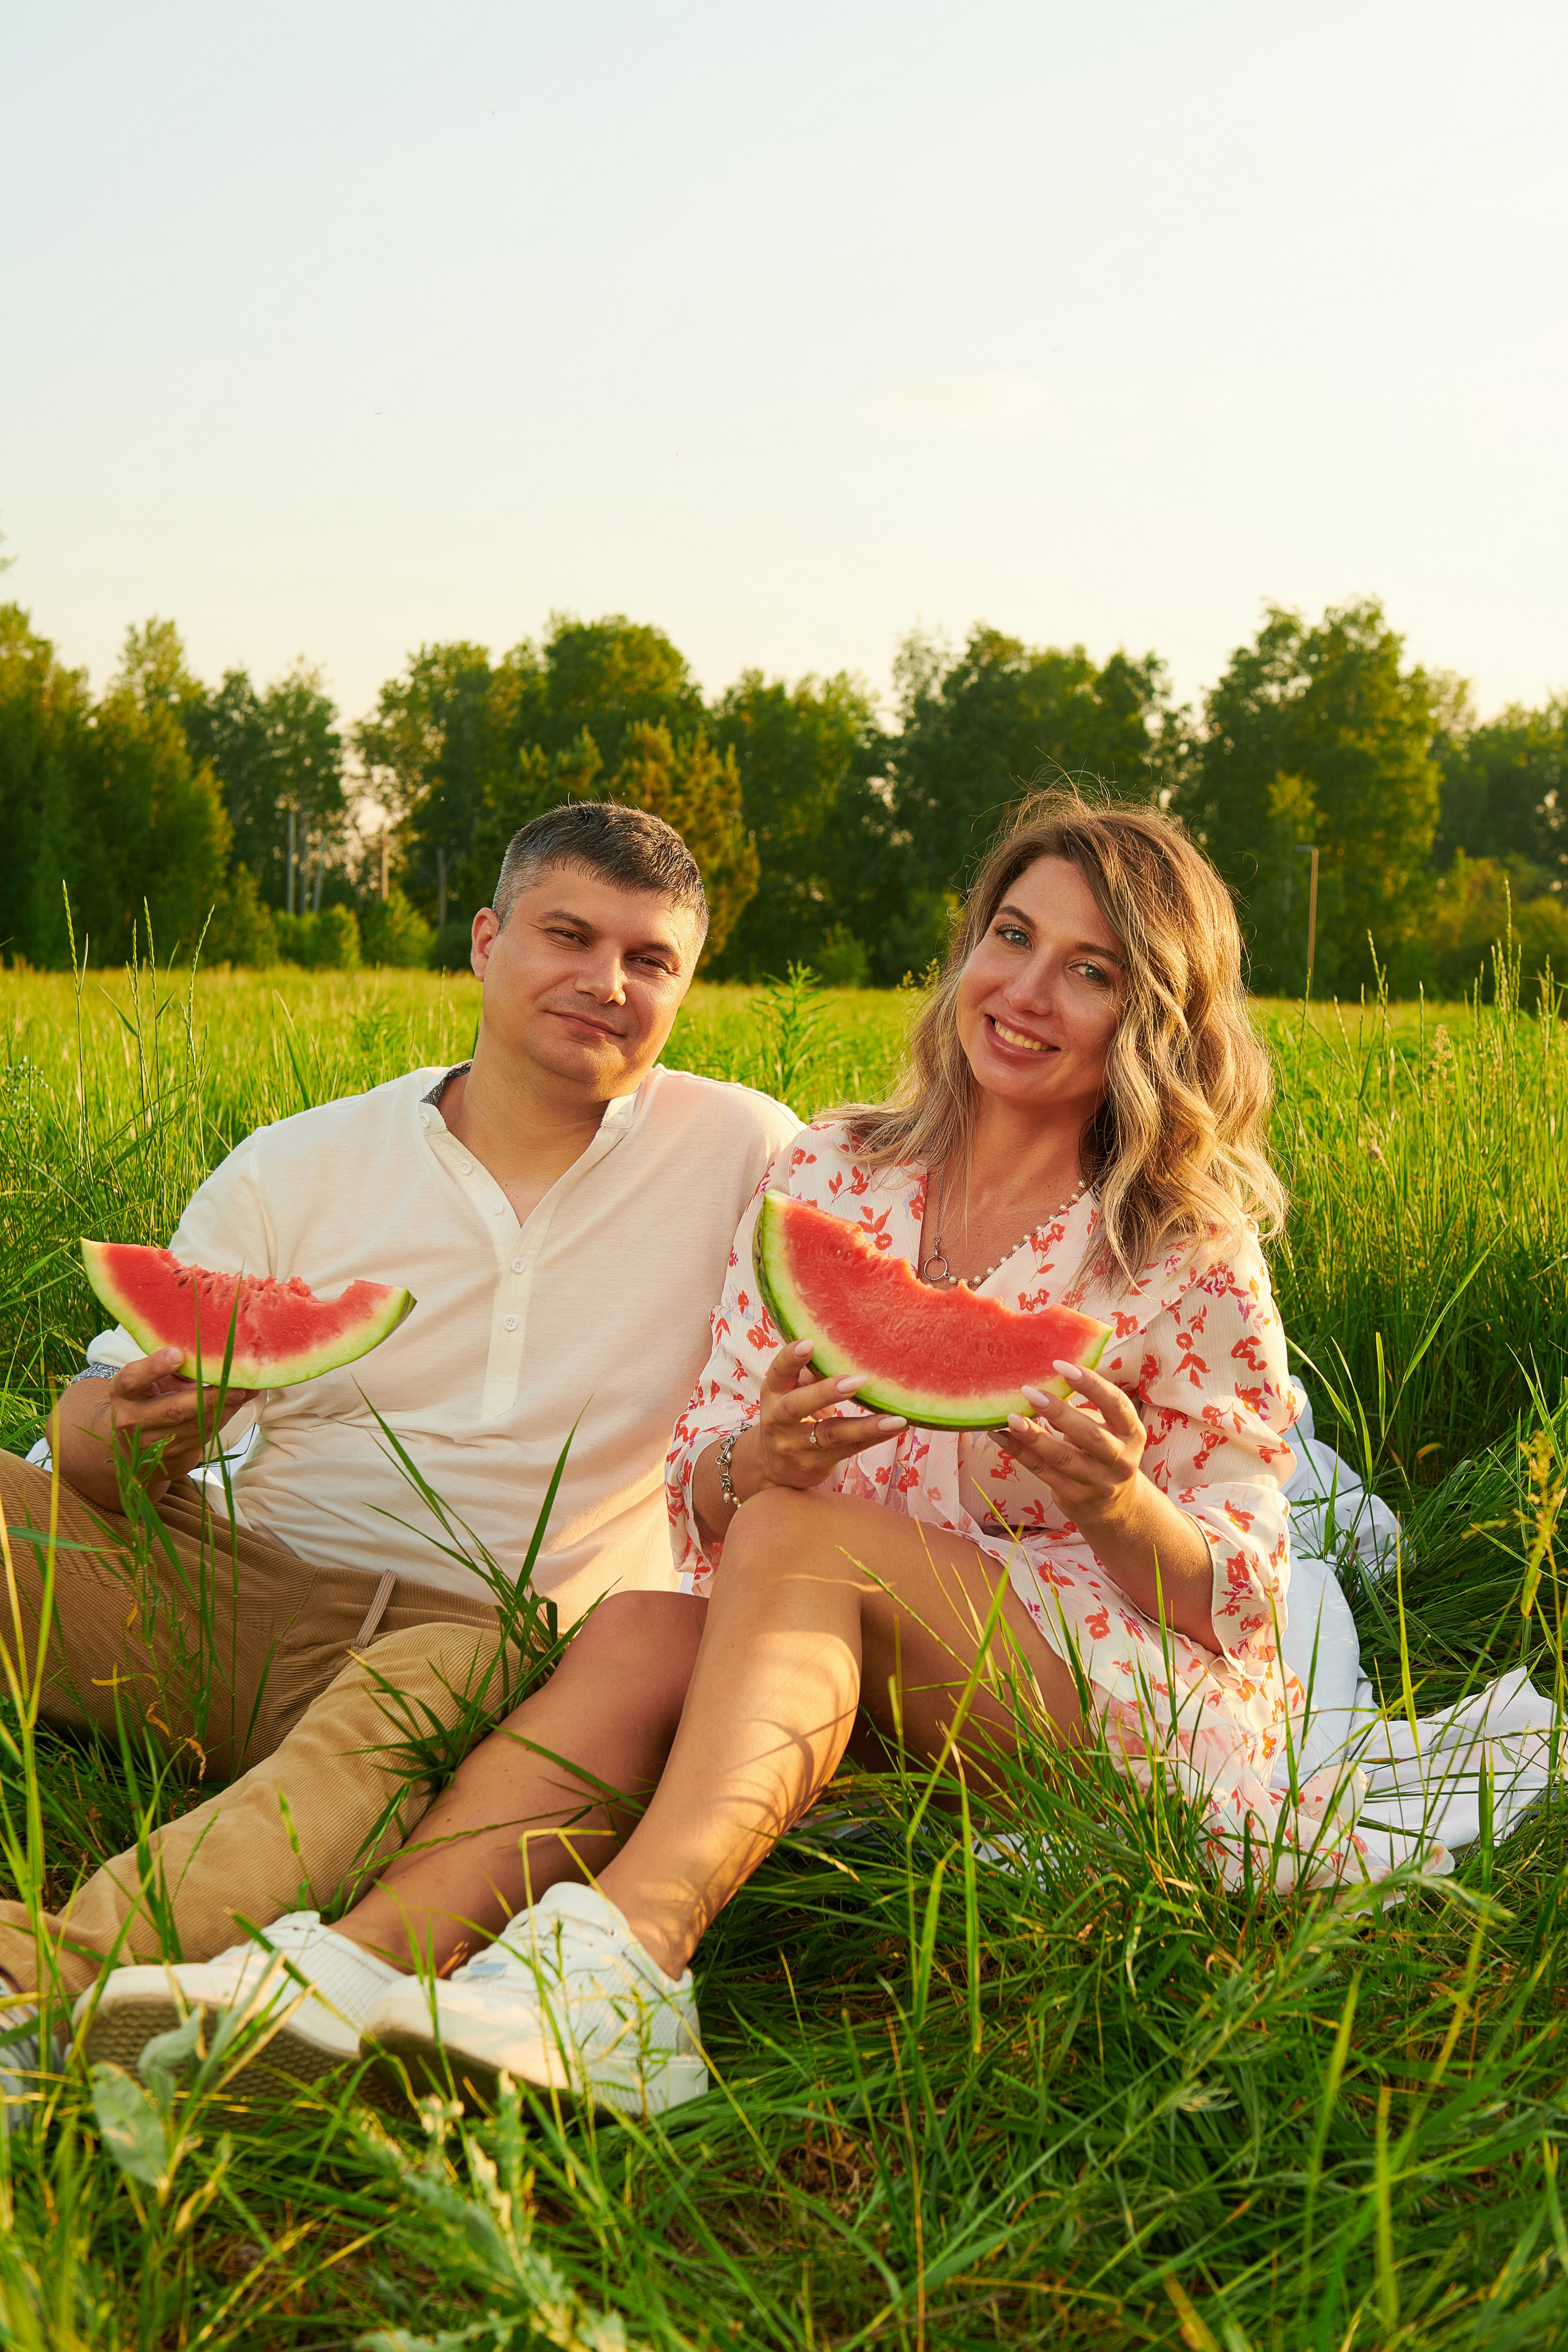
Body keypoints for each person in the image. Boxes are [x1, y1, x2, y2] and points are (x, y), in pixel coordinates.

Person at [90, 790, 1339, 2118]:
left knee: (803, 1536)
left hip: (1097, 1707)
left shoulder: (1180, 1250)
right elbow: (698, 1488)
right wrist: (755, 1462)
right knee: (636, 1626)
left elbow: (1231, 1598)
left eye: (1086, 970)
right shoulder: (830, 1172)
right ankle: (356, 1966)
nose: (1024, 990)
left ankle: (625, 1965)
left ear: (1152, 1014)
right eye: (1009, 936)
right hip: (823, 1668)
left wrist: (1117, 1500)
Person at [1, 802, 799, 2090]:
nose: (604, 982)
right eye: (566, 935)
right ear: (485, 944)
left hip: (491, 1638)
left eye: (648, 960)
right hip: (224, 1591)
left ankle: (42, 1987)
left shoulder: (745, 1152)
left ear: (684, 987)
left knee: (386, 1717)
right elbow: (89, 1462)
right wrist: (139, 1434)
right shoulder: (300, 1167)